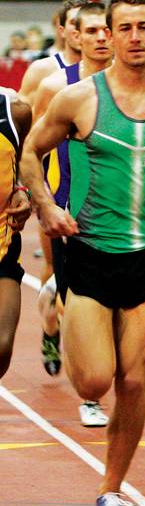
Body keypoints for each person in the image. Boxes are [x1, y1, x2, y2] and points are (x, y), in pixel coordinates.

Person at [21, 0, 145, 506]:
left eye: (141, 27)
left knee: (133, 380)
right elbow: (31, 155)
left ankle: (111, 490)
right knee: (94, 381)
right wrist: (45, 206)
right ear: (108, 33)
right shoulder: (80, 98)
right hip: (89, 253)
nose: (133, 37)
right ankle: (62, 321)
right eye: (122, 28)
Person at [34, 1, 113, 427]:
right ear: (74, 36)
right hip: (69, 213)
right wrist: (41, 200)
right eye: (92, 31)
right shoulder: (54, 86)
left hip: (120, 215)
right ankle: (91, 396)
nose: (101, 38)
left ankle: (52, 304)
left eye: (107, 29)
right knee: (77, 303)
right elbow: (32, 147)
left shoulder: (135, 86)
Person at [19, 0, 89, 378]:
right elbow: (25, 131)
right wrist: (30, 187)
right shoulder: (45, 74)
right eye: (76, 25)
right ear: (63, 29)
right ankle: (52, 328)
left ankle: (64, 318)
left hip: (95, 187)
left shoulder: (111, 71)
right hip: (55, 181)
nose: (83, 32)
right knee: (53, 267)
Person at [0, 87, 32, 378]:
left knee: (1, 346)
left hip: (3, 243)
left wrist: (22, 189)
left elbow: (22, 159)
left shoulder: (15, 110)